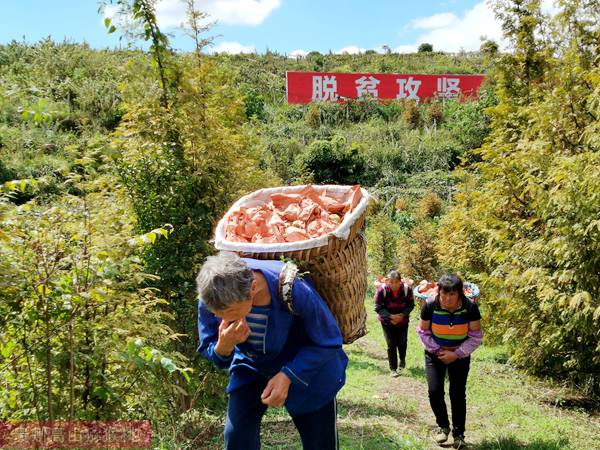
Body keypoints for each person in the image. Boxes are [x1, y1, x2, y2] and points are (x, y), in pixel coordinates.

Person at [196, 251, 348, 450]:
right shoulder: (213, 296)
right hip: (250, 364)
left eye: (231, 312)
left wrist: (288, 375)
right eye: (217, 314)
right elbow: (213, 351)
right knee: (236, 439)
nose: (223, 318)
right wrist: (223, 346)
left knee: (319, 442)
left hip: (304, 366)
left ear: (253, 288)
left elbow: (329, 340)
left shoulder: (292, 288)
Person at [416, 273, 483, 449]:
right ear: (438, 292)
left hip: (459, 355)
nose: (447, 298)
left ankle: (459, 434)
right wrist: (438, 351)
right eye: (444, 294)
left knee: (457, 393)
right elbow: (423, 332)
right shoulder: (429, 306)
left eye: (452, 294)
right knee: (435, 390)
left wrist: (457, 354)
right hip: (435, 353)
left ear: (460, 294)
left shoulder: (470, 308)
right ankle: (443, 426)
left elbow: (476, 336)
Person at [374, 270, 415, 377]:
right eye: (391, 282)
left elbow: (411, 305)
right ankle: (393, 369)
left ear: (400, 282)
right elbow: (378, 307)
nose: (393, 285)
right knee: (391, 344)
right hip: (387, 322)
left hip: (403, 321)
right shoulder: (382, 290)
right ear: (387, 281)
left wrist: (402, 315)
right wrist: (390, 316)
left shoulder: (407, 290)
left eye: (396, 282)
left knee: (402, 342)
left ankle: (402, 359)